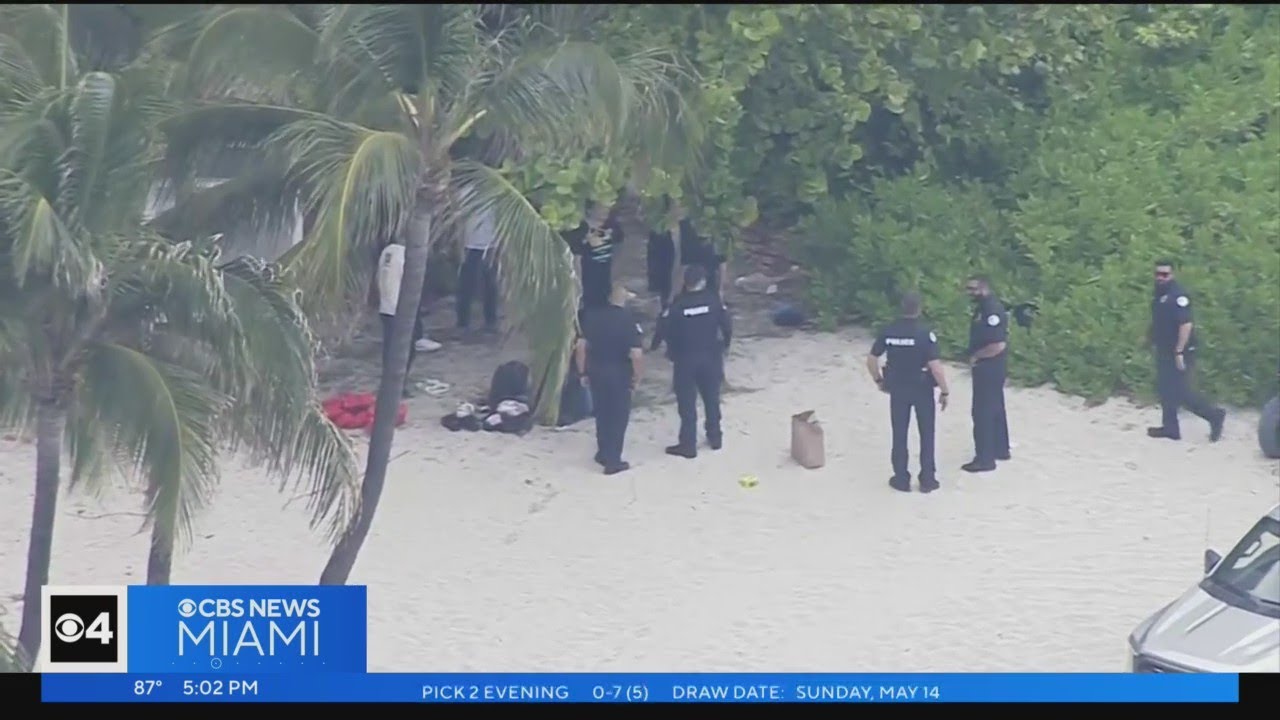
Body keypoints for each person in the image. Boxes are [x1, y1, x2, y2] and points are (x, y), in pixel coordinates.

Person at [866, 292, 951, 493]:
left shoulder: (889, 331)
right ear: (919, 308)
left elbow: (871, 359)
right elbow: (935, 366)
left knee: (899, 433)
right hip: (921, 387)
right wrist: (945, 390)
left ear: (901, 307)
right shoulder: (924, 332)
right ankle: (927, 479)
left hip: (898, 387)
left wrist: (879, 380)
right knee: (927, 433)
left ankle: (901, 478)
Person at [655, 265, 733, 458]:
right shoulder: (714, 300)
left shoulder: (678, 305)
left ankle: (688, 444)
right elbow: (727, 324)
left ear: (685, 283)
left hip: (685, 358)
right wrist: (725, 345)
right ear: (703, 282)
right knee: (712, 398)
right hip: (711, 356)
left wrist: (667, 349)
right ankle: (715, 437)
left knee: (687, 403)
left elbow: (664, 328)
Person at [1147, 260, 1226, 442]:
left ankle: (1214, 415)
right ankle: (1170, 428)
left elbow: (1186, 325)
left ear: (1172, 275)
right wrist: (1148, 337)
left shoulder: (1178, 296)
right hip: (1164, 350)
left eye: (1165, 274)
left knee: (1181, 392)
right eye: (1158, 274)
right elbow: (1159, 320)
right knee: (1165, 390)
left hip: (1179, 352)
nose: (1160, 278)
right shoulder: (1160, 294)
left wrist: (1179, 351)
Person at [576, 283, 643, 475]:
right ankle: (613, 461)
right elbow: (636, 355)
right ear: (623, 300)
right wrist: (637, 378)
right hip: (619, 373)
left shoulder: (591, 316)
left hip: (596, 370)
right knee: (618, 416)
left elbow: (581, 347)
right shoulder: (628, 320)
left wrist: (582, 372)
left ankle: (602, 452)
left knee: (602, 412)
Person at [962, 275, 1011, 473]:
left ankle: (985, 458)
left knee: (982, 411)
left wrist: (976, 357)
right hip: (990, 367)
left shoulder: (991, 310)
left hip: (989, 366)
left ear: (983, 288)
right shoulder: (982, 308)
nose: (969, 293)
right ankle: (1000, 448)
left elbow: (997, 344)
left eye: (973, 289)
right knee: (996, 407)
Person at [377, 240, 438, 397]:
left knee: (390, 348)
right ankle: (397, 386)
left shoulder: (387, 251)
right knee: (405, 350)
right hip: (400, 308)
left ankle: (390, 383)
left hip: (386, 306)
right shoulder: (407, 255)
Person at [566, 203, 625, 311]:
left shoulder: (611, 228)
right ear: (590, 210)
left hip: (606, 273)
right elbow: (576, 258)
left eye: (606, 210)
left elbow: (618, 246)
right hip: (588, 275)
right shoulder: (581, 230)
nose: (604, 214)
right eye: (600, 210)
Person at [455, 195, 499, 332]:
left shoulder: (495, 194)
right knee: (466, 285)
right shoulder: (466, 193)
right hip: (470, 245)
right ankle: (463, 322)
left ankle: (491, 320)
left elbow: (500, 222)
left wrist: (499, 246)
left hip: (490, 245)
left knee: (490, 284)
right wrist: (460, 246)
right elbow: (459, 221)